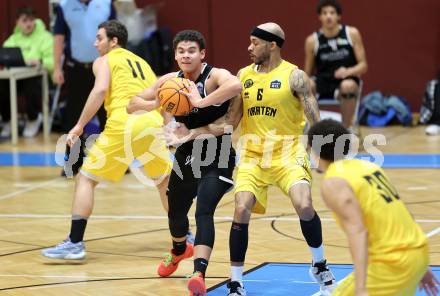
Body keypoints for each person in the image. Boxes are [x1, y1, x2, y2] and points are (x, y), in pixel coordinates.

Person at [166, 23, 337, 296]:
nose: (249, 48)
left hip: (288, 154)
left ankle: (319, 264)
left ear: (272, 45)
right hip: (253, 156)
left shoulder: (295, 77)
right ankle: (236, 282)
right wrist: (191, 133)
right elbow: (230, 121)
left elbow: (315, 118)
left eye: (254, 42)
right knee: (241, 208)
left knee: (304, 204)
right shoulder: (244, 76)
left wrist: (325, 153)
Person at [41, 20, 172, 260]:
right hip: (151, 124)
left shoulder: (103, 60)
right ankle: (185, 237)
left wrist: (79, 126)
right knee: (164, 182)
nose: (95, 43)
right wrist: (167, 127)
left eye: (99, 38)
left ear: (114, 41)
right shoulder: (143, 62)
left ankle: (75, 243)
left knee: (86, 178)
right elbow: (161, 95)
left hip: (124, 123)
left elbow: (100, 90)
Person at [128, 29, 242, 295]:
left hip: (218, 153)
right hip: (187, 153)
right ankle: (180, 250)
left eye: (192, 50)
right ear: (176, 56)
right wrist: (154, 103)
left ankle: (199, 273)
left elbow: (235, 85)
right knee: (175, 211)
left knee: (204, 210)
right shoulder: (170, 81)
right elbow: (130, 104)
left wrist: (199, 101)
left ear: (202, 54)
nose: (186, 55)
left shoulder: (214, 77)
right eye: (181, 51)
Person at [307, 119, 439, 296]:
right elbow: (404, 212)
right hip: (417, 253)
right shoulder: (368, 166)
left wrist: (361, 289)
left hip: (391, 264)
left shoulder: (333, 182)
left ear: (313, 149)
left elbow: (358, 232)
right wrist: (420, 265)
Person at [53, 0, 116, 175]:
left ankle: (113, 161)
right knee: (74, 116)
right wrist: (57, 67)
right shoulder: (64, 6)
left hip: (104, 67)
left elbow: (117, 37)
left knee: (109, 115)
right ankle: (73, 162)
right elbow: (59, 37)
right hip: (75, 69)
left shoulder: (106, 4)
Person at [304, 0, 368, 129]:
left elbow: (363, 66)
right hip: (323, 81)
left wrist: (347, 72)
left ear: (338, 16)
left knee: (348, 85)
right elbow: (308, 72)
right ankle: (314, 129)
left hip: (345, 81)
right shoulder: (312, 40)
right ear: (320, 17)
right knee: (306, 84)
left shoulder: (351, 33)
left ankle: (345, 130)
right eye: (325, 13)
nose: (328, 16)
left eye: (332, 13)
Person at [0, 7, 53, 138]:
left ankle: (33, 119)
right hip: (16, 78)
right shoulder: (13, 38)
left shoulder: (45, 37)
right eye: (24, 21)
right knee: (1, 84)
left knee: (31, 83)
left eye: (31, 20)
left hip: (38, 77)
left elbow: (52, 61)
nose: (28, 24)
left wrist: (40, 61)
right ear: (17, 22)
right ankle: (7, 120)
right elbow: (5, 55)